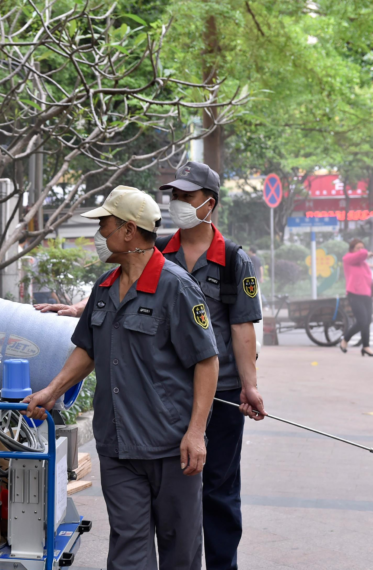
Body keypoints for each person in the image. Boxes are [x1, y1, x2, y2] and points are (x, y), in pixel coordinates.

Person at [24, 186, 219, 570]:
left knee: (180, 551)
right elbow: (87, 349)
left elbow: (206, 361)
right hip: (118, 447)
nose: (100, 233)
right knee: (129, 552)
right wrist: (52, 390)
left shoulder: (176, 287)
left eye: (105, 224)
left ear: (129, 230)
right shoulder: (104, 288)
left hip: (170, 445)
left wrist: (196, 432)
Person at [158, 161, 265, 570]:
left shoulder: (234, 260)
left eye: (187, 196)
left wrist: (249, 386)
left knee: (218, 488)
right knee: (172, 491)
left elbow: (242, 329)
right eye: (175, 196)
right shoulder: (158, 254)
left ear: (210, 203)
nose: (178, 203)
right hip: (167, 393)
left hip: (220, 394)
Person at [339, 238, 373, 356]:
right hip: (354, 294)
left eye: (362, 247)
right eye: (358, 248)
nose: (361, 250)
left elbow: (367, 277)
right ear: (352, 249)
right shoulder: (348, 258)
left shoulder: (363, 263)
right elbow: (363, 255)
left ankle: (366, 346)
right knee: (362, 320)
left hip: (367, 295)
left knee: (368, 321)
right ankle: (345, 339)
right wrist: (368, 253)